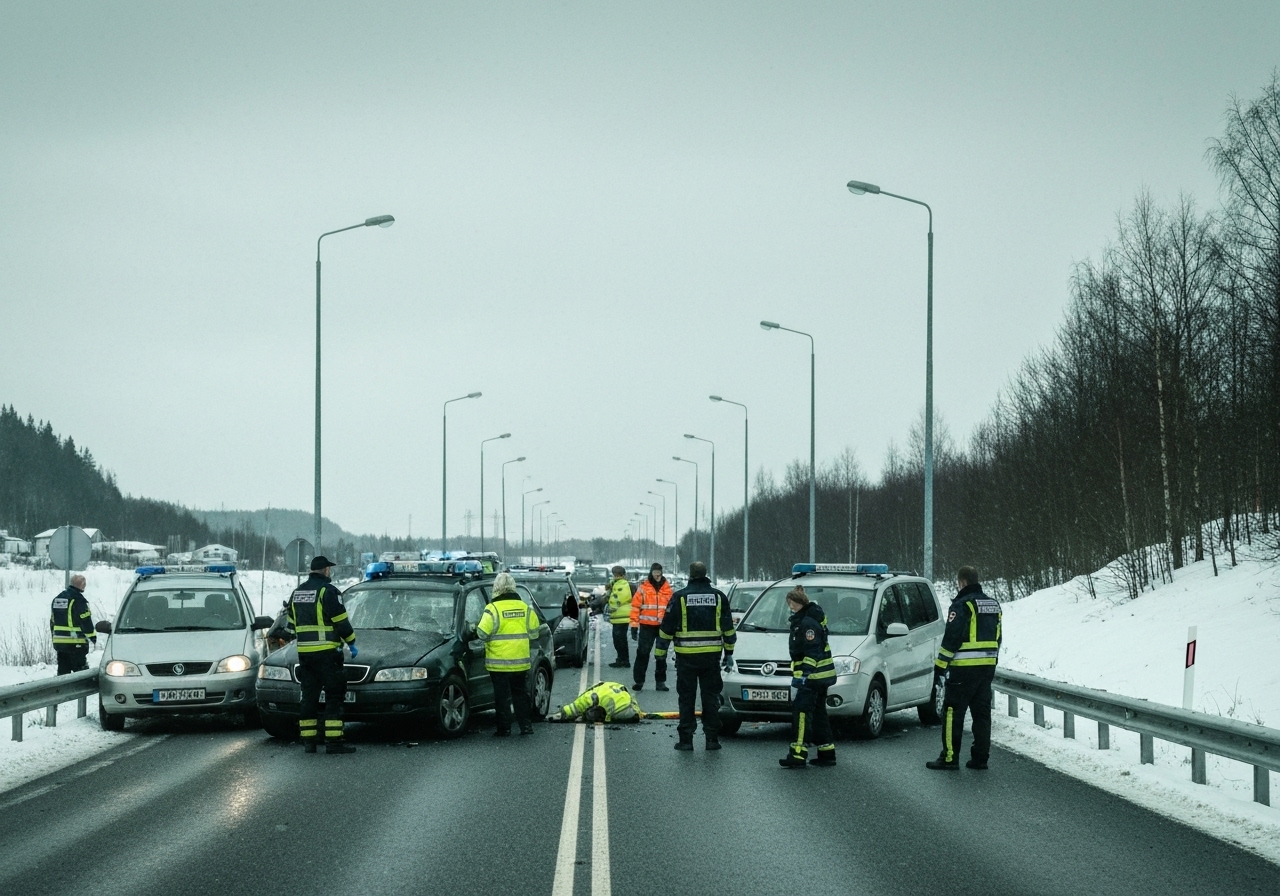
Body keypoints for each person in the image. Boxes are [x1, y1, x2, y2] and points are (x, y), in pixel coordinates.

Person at [927, 566, 1003, 771]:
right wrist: (991, 662)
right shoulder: (993, 605)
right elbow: (998, 637)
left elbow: (951, 638)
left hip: (963, 669)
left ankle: (949, 757)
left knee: (952, 712)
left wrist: (940, 667)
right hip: (986, 668)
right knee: (981, 714)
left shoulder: (962, 605)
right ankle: (980, 758)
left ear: (962, 582)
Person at [655, 560, 735, 751]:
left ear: (690, 575)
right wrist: (729, 653)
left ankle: (686, 740)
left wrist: (660, 656)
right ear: (706, 574)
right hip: (711, 659)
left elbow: (666, 629)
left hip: (686, 659)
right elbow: (728, 629)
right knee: (711, 698)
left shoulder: (679, 597)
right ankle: (712, 739)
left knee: (686, 698)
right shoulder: (718, 597)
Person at [288, 556, 357, 754]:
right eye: (329, 569)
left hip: (305, 655)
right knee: (334, 696)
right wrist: (351, 642)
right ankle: (334, 742)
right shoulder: (329, 592)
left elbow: (291, 624)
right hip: (327, 654)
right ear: (326, 570)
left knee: (309, 697)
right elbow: (341, 622)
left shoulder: (298, 592)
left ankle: (309, 742)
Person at [475, 572, 540, 736]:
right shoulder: (525, 608)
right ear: (513, 587)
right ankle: (526, 727)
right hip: (520, 662)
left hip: (498, 663)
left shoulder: (492, 609)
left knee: (502, 696)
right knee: (520, 694)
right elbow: (534, 633)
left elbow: (482, 633)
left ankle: (504, 729)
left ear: (496, 588)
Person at [779, 586, 837, 768]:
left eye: (791, 604)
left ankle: (798, 754)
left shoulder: (807, 623)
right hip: (820, 677)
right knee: (819, 714)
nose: (790, 608)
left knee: (802, 713)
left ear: (798, 603)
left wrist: (804, 675)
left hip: (813, 678)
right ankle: (827, 753)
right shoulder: (808, 620)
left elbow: (812, 651)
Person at [629, 562, 672, 691]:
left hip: (662, 627)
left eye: (659, 574)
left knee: (661, 655)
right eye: (655, 574)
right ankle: (639, 681)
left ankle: (660, 682)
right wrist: (634, 626)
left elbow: (672, 608)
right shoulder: (643, 588)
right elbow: (635, 607)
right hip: (646, 626)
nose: (657, 576)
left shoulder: (667, 589)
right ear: (651, 573)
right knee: (642, 654)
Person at [50, 574, 95, 675]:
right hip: (75, 643)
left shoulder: (57, 599)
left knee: (63, 672)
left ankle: (62, 690)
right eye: (84, 584)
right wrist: (93, 638)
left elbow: (52, 621)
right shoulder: (79, 600)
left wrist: (54, 637)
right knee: (81, 675)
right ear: (81, 585)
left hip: (59, 643)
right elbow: (85, 621)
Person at [549, 681, 642, 723]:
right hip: (609, 687)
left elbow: (636, 715)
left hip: (622, 692)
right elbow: (572, 708)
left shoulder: (622, 711)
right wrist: (558, 716)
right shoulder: (589, 699)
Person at [606, 565, 633, 668]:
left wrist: (611, 606)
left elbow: (619, 598)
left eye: (617, 575)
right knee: (619, 640)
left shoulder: (622, 585)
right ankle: (621, 659)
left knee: (620, 640)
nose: (615, 577)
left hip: (622, 616)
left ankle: (624, 660)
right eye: (615, 575)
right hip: (618, 617)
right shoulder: (616, 584)